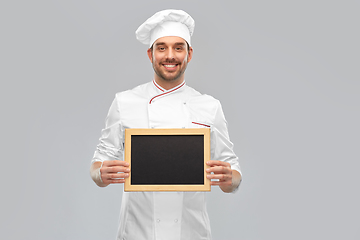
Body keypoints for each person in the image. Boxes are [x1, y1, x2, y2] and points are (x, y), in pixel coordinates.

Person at [90, 9, 242, 240]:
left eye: (178, 47)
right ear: (150, 54)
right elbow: (100, 160)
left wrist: (230, 179)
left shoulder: (209, 106)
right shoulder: (124, 101)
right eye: (161, 48)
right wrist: (101, 174)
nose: (169, 55)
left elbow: (232, 168)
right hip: (137, 231)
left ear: (189, 54)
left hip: (191, 232)